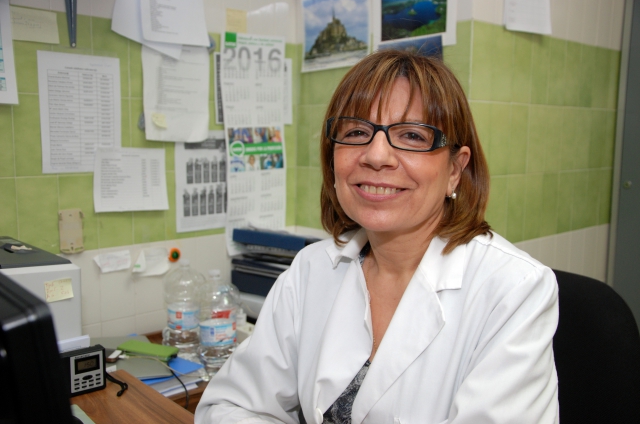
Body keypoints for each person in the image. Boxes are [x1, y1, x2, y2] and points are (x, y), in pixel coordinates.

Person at [195, 50, 559, 424]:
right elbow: (228, 407)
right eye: (356, 132)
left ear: (455, 169)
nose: (376, 155)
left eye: (412, 135)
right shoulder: (312, 269)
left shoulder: (514, 290)